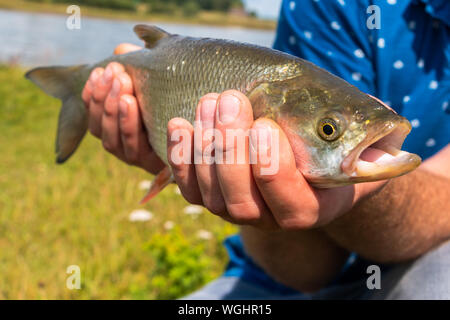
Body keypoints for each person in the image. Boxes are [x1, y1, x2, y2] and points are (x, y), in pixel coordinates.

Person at [81, 0, 450, 299]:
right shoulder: (330, 5)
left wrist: (359, 197)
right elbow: (304, 272)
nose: (329, 132)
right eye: (328, 130)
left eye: (327, 130)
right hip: (272, 280)